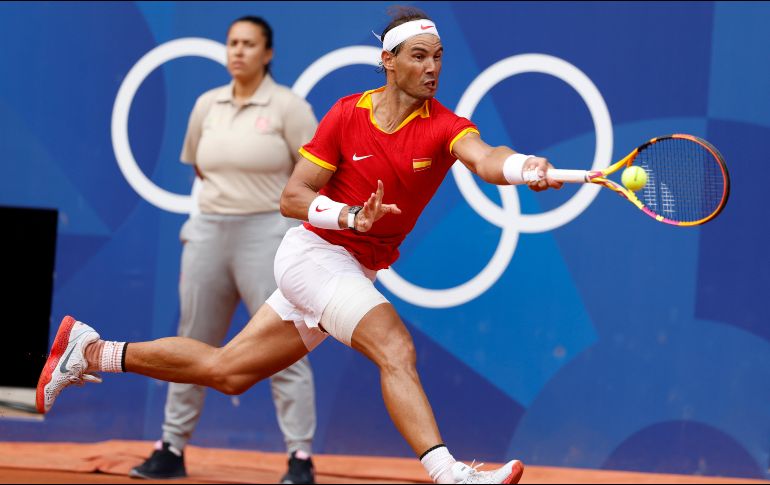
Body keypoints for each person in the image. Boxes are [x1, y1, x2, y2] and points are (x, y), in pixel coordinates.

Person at [36, 7, 562, 484]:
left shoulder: (445, 126)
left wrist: (524, 168)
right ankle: (449, 474)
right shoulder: (345, 114)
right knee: (395, 347)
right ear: (389, 60)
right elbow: (292, 198)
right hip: (312, 255)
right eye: (419, 56)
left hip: (355, 267)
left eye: (438, 57)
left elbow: (487, 157)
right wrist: (351, 215)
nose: (432, 68)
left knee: (229, 371)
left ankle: (92, 351)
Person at [130, 16, 319, 484]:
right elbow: (201, 171)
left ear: (267, 53)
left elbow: (312, 178)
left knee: (282, 347)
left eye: (249, 44)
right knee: (192, 339)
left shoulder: (289, 107)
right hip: (210, 232)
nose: (238, 51)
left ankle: (300, 458)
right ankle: (171, 448)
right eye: (232, 43)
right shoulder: (204, 106)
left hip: (269, 237)